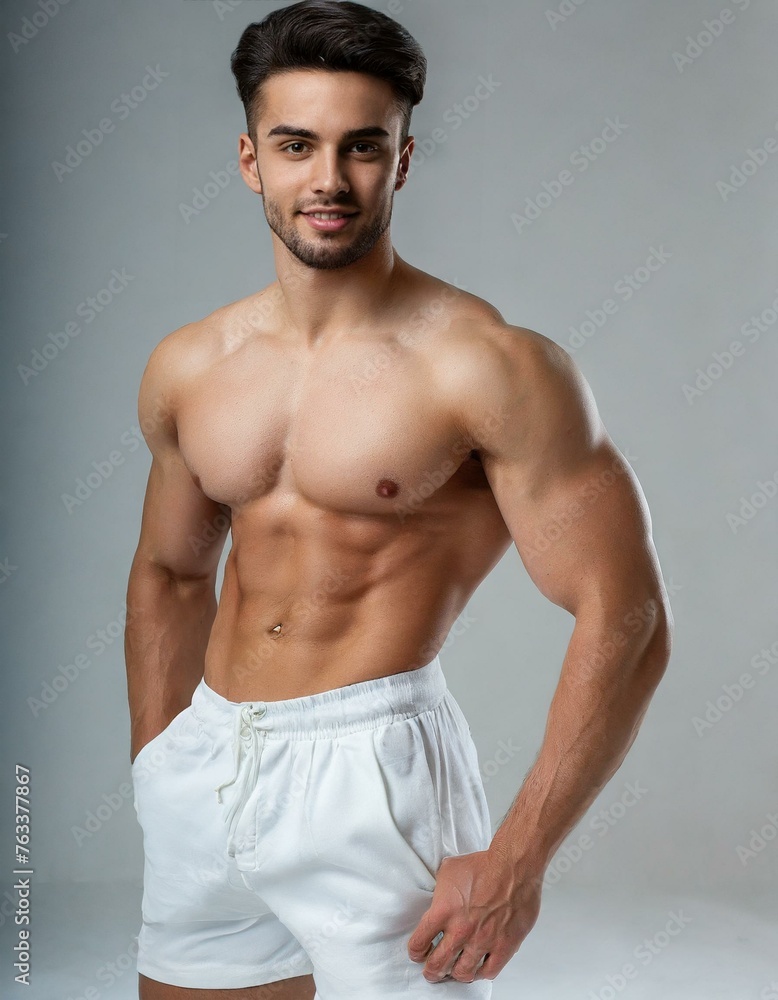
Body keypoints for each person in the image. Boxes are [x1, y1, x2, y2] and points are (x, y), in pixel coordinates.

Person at [124, 1, 673, 997]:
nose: (327, 180)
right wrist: (159, 770)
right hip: (208, 766)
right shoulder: (191, 365)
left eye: (361, 147)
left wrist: (516, 858)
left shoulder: (489, 366)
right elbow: (169, 572)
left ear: (403, 160)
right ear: (251, 159)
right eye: (296, 145)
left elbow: (626, 618)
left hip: (372, 776)